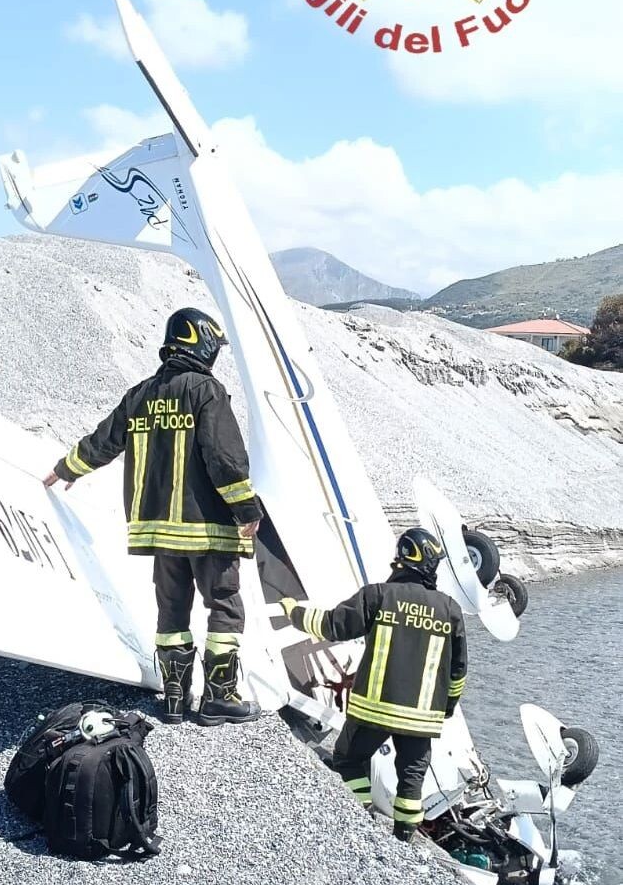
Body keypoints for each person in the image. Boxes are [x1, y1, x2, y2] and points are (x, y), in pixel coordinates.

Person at [44, 307, 263, 727]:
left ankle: (174, 700)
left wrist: (66, 468)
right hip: (208, 529)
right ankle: (219, 698)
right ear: (202, 342)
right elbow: (225, 459)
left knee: (171, 610)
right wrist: (246, 509)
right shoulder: (207, 391)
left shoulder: (140, 394)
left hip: (160, 530)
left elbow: (104, 441)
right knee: (224, 607)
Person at [280, 528, 467, 843]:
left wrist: (294, 612)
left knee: (349, 760)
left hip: (373, 711)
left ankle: (362, 812)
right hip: (422, 719)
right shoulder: (450, 610)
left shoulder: (378, 595)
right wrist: (445, 709)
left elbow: (332, 625)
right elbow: (458, 672)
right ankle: (403, 840)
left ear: (403, 558)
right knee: (411, 784)